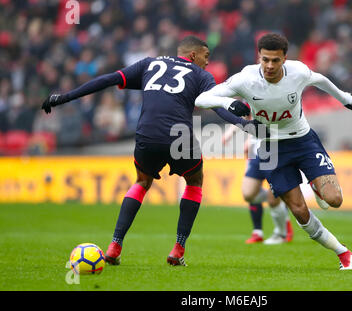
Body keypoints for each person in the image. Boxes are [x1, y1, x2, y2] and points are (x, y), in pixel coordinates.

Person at [41, 36, 255, 266]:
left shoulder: (149, 64)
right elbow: (218, 107)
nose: (207, 62)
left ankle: (114, 245)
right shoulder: (201, 76)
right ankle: (178, 248)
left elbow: (107, 80)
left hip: (147, 134)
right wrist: (246, 126)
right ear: (194, 55)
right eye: (206, 56)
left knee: (142, 182)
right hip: (178, 137)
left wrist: (63, 98)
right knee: (194, 182)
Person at [195, 33, 352, 270]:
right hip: (271, 148)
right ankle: (342, 252)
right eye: (265, 60)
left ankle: (314, 184)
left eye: (275, 61)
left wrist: (344, 98)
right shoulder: (246, 79)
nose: (269, 66)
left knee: (335, 199)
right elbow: (201, 99)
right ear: (259, 57)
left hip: (303, 141)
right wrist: (227, 103)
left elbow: (320, 79)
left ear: (285, 59)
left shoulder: (298, 72)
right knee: (300, 211)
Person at [222, 119, 293, 245]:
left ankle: (280, 233)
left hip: (274, 149)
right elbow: (244, 117)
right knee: (249, 194)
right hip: (255, 152)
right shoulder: (247, 102)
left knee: (273, 197)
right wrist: (231, 134)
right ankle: (281, 201)